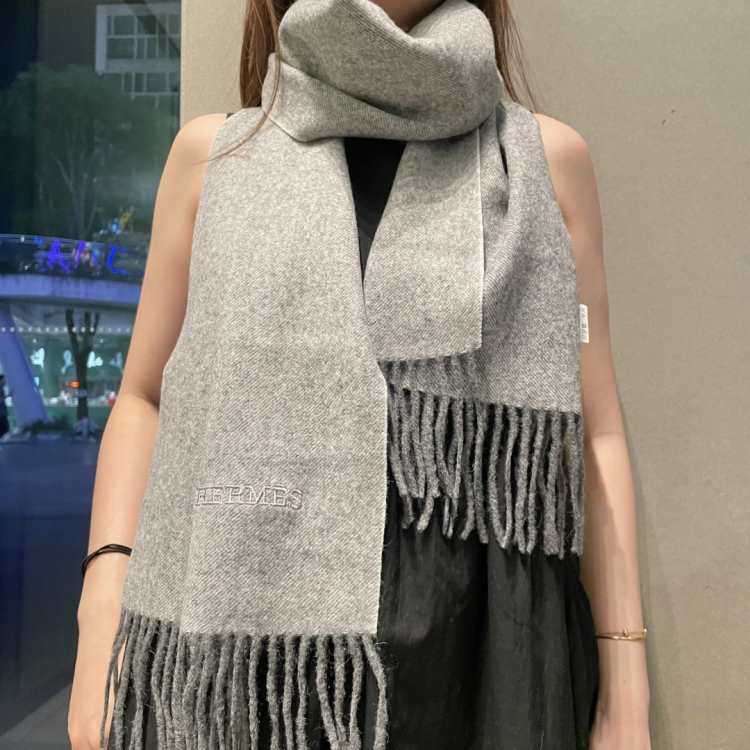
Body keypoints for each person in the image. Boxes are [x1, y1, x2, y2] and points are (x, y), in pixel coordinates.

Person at [68, 1, 652, 749]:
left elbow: (592, 428)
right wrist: (101, 611)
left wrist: (625, 683)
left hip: (489, 658)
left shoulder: (543, 163)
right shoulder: (216, 158)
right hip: (250, 674)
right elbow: (144, 398)